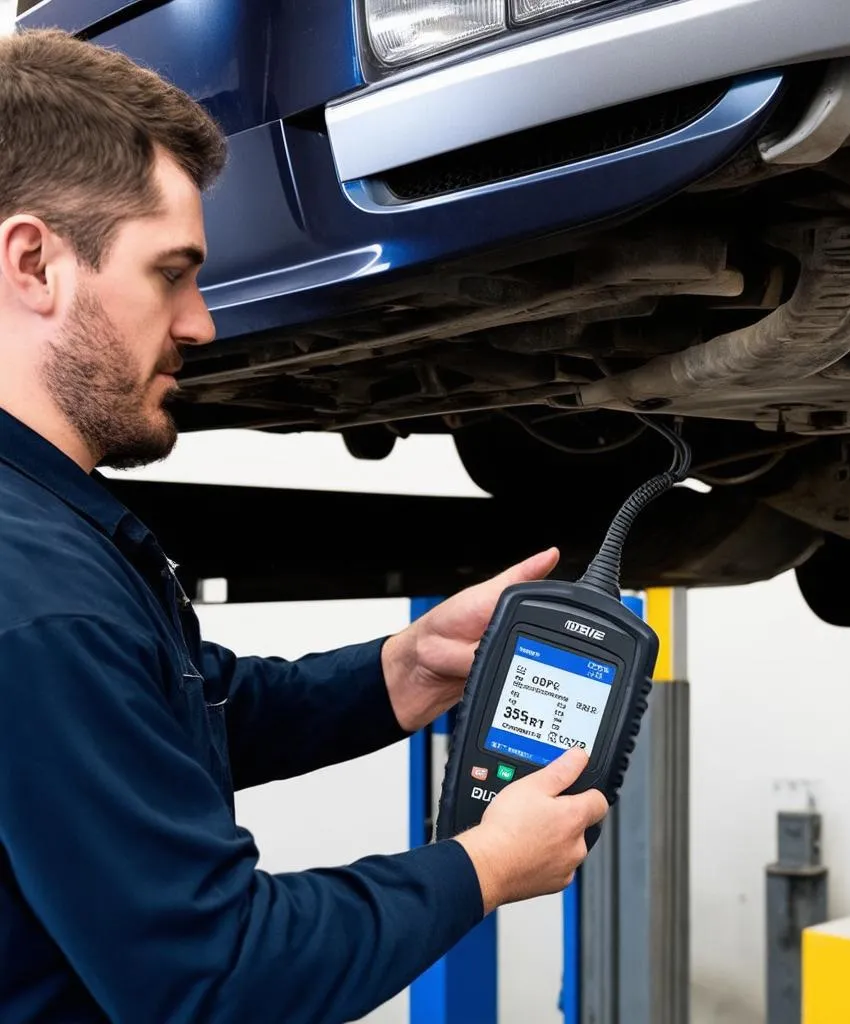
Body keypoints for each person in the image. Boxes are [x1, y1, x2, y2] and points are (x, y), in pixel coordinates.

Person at [0, 28, 609, 1023]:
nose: (200, 322)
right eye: (171, 272)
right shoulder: (40, 600)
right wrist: (480, 868)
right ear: (35, 263)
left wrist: (403, 668)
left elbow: (164, 723)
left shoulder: (43, 545)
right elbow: (221, 976)